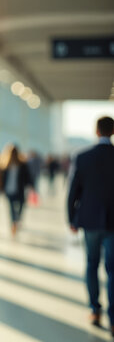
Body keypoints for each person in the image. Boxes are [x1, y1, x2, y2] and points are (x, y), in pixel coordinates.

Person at [67, 116, 114, 333]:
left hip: (90, 220)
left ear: (97, 132)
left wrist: (71, 218)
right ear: (112, 132)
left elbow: (73, 190)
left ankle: (95, 309)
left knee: (92, 264)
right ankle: (113, 318)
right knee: (112, 270)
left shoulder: (83, 156)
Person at [0, 144, 33, 236]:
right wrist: (1, 188)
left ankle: (17, 220)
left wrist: (30, 185)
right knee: (11, 208)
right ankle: (13, 223)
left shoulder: (22, 164)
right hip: (9, 190)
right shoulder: (5, 164)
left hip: (19, 189)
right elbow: (2, 178)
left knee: (20, 206)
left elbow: (27, 176)